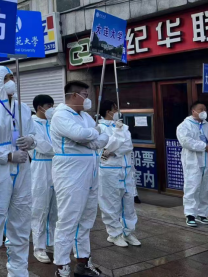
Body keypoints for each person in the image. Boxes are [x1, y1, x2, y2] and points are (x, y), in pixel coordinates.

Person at [0, 66, 41, 277]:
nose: (11, 81)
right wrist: (8, 155)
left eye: (13, 77)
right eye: (6, 78)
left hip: (23, 170)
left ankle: (19, 271)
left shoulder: (23, 109)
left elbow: (34, 134)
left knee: (21, 223)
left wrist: (31, 140)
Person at [50, 81, 109, 277]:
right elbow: (80, 135)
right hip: (70, 172)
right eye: (85, 94)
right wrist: (95, 134)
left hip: (90, 170)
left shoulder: (85, 116)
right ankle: (62, 266)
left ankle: (83, 262)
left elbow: (103, 139)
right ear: (74, 95)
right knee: (68, 219)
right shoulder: (61, 115)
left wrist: (93, 137)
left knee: (87, 218)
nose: (88, 98)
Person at [97, 100, 140, 248]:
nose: (117, 112)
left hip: (126, 168)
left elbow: (128, 146)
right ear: (108, 112)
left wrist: (114, 151)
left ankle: (128, 232)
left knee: (128, 202)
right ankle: (114, 234)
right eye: (115, 109)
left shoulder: (123, 126)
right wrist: (115, 142)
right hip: (109, 169)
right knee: (110, 202)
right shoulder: (100, 128)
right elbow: (104, 148)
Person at [177, 101, 208, 227]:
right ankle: (190, 214)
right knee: (192, 187)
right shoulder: (185, 126)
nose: (204, 112)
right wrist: (204, 146)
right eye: (201, 109)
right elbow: (186, 141)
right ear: (193, 111)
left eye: (205, 109)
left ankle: (202, 214)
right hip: (193, 162)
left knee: (206, 188)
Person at [31, 94, 58, 264]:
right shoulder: (31, 124)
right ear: (40, 107)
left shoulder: (53, 123)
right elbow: (42, 146)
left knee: (55, 208)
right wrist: (61, 149)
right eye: (49, 106)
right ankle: (39, 247)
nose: (52, 109)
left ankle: (51, 241)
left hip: (57, 166)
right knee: (40, 208)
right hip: (40, 167)